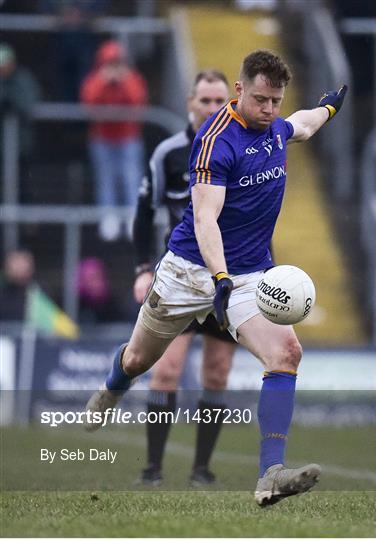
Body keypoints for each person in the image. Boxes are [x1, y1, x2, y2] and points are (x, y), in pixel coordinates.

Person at [86, 49, 347, 506]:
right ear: (240, 90)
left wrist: (327, 108)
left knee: (286, 353)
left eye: (277, 101)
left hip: (248, 276)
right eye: (262, 100)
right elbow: (206, 219)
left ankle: (270, 475)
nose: (270, 111)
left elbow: (302, 124)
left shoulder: (276, 128)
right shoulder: (214, 142)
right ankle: (111, 389)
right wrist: (218, 276)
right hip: (189, 271)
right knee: (138, 362)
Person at [132, 69, 235, 487]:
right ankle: (153, 468)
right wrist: (142, 269)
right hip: (181, 276)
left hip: (229, 278)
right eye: (204, 101)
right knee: (166, 369)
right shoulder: (170, 153)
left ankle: (201, 470)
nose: (211, 108)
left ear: (230, 103)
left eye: (219, 101)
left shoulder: (241, 148)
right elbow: (143, 213)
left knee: (216, 373)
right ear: (190, 103)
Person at [80, 40, 148, 242]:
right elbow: (88, 103)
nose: (114, 66)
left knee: (131, 178)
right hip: (102, 138)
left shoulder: (132, 78)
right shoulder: (95, 80)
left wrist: (122, 80)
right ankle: (108, 218)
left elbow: (137, 101)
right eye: (110, 62)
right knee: (106, 178)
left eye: (117, 62)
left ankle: (131, 218)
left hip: (128, 137)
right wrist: (104, 80)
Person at [0, 43, 42, 186]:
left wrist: (12, 100)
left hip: (21, 143)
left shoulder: (23, 79)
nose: (3, 68)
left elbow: (28, 103)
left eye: (5, 63)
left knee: (22, 184)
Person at [0, 250, 35, 321]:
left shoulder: (37, 294)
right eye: (16, 263)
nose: (19, 267)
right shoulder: (2, 294)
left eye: (22, 263)